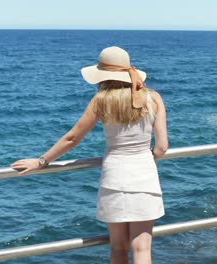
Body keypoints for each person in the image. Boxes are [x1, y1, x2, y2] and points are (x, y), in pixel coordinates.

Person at [10, 46, 168, 264]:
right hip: (146, 178)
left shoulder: (102, 100)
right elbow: (161, 148)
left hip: (114, 179)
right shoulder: (154, 98)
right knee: (142, 249)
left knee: (118, 248)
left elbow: (72, 138)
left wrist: (42, 161)